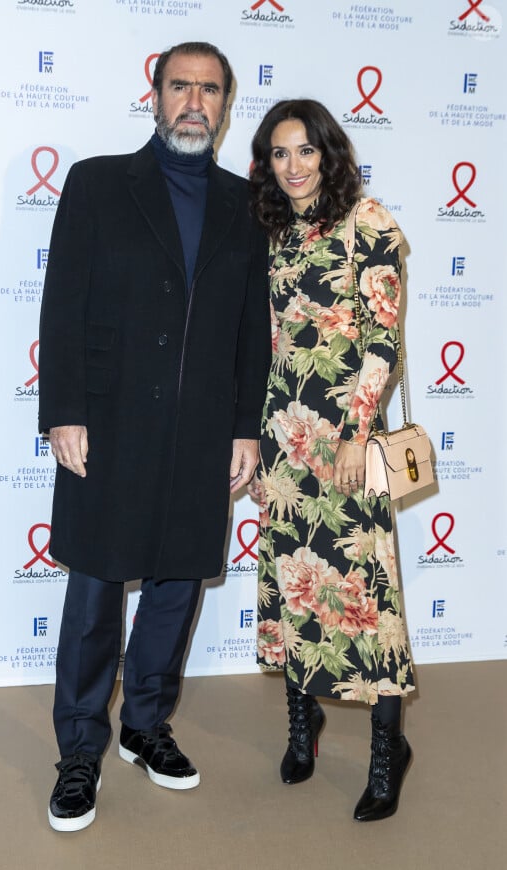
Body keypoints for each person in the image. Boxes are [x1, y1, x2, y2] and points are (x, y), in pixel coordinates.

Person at [38, 41, 271, 833]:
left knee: (174, 589)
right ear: (156, 93)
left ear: (225, 103)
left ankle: (144, 724)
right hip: (108, 425)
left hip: (203, 429)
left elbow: (250, 332)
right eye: (181, 87)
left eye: (210, 90)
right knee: (97, 592)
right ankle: (78, 749)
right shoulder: (98, 182)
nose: (194, 103)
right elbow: (62, 302)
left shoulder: (245, 203)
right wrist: (62, 410)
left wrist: (246, 429)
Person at [248, 99, 415, 822]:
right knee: (294, 583)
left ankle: (388, 750)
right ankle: (301, 723)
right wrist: (253, 441)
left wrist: (356, 431)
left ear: (329, 152)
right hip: (284, 439)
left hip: (347, 441)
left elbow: (384, 339)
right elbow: (263, 346)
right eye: (280, 154)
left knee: (365, 592)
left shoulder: (367, 221)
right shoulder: (269, 232)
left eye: (305, 151)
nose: (293, 167)